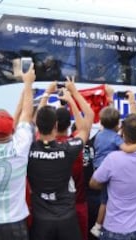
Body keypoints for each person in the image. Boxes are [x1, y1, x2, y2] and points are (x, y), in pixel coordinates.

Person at [27, 80, 94, 240]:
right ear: (55, 125)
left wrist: (46, 94)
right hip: (66, 219)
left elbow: (35, 124)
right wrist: (72, 98)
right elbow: (84, 128)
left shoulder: (29, 148)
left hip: (40, 221)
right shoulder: (68, 149)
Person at [0, 64, 35, 239]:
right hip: (16, 223)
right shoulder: (21, 146)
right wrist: (28, 83)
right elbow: (27, 112)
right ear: (12, 131)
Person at [89, 113, 136, 240]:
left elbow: (93, 183)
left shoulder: (113, 159)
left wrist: (109, 183)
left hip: (115, 228)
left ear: (122, 133)